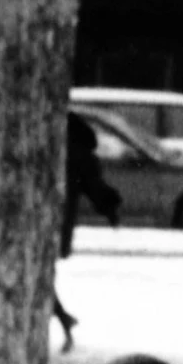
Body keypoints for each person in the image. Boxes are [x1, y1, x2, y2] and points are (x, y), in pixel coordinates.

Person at [53, 112, 120, 348]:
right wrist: (110, 210)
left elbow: (94, 188)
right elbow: (96, 189)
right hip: (60, 224)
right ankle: (63, 318)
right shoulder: (84, 156)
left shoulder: (62, 150)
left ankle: (63, 318)